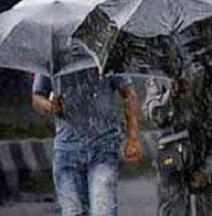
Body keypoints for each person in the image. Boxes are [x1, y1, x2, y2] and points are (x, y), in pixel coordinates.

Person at [31, 41, 141, 216]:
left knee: (102, 210)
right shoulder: (52, 56)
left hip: (103, 148)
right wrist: (49, 106)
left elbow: (129, 94)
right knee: (73, 212)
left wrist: (133, 138)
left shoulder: (106, 53)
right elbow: (37, 97)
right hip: (67, 151)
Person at [144, 53, 212, 216]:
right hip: (174, 154)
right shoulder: (163, 61)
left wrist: (209, 166)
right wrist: (170, 95)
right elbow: (153, 115)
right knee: (173, 210)